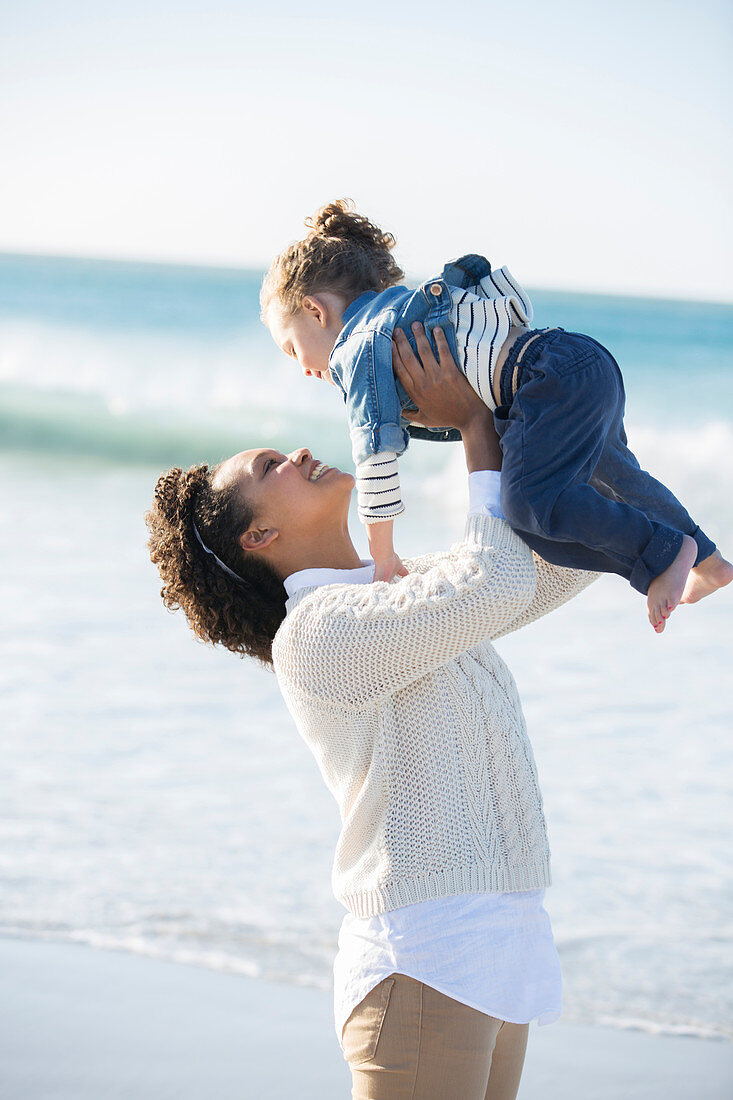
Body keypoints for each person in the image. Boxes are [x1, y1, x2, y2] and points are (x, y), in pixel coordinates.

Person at [146, 327, 599, 1099]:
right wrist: (472, 429)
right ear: (260, 535)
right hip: (425, 958)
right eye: (269, 468)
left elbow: (556, 566)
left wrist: (564, 405)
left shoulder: (396, 593)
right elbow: (491, 585)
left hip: (497, 948)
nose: (293, 452)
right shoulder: (317, 636)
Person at [261, 199, 732, 632]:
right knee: (617, 478)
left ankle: (665, 551)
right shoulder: (398, 310)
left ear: (314, 310)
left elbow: (374, 454)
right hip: (575, 358)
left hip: (543, 383)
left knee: (529, 506)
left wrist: (382, 557)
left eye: (291, 348)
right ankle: (708, 561)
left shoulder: (357, 349)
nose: (303, 368)